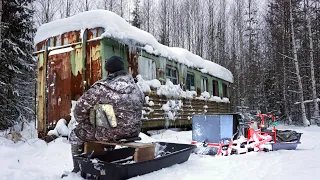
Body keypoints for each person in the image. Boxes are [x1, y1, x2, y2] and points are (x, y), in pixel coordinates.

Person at [63, 56, 145, 177]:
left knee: (76, 134)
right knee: (107, 124)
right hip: (133, 132)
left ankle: (78, 171)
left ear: (108, 71)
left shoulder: (102, 88)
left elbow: (78, 112)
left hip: (111, 133)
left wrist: (85, 120)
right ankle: (104, 159)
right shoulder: (137, 88)